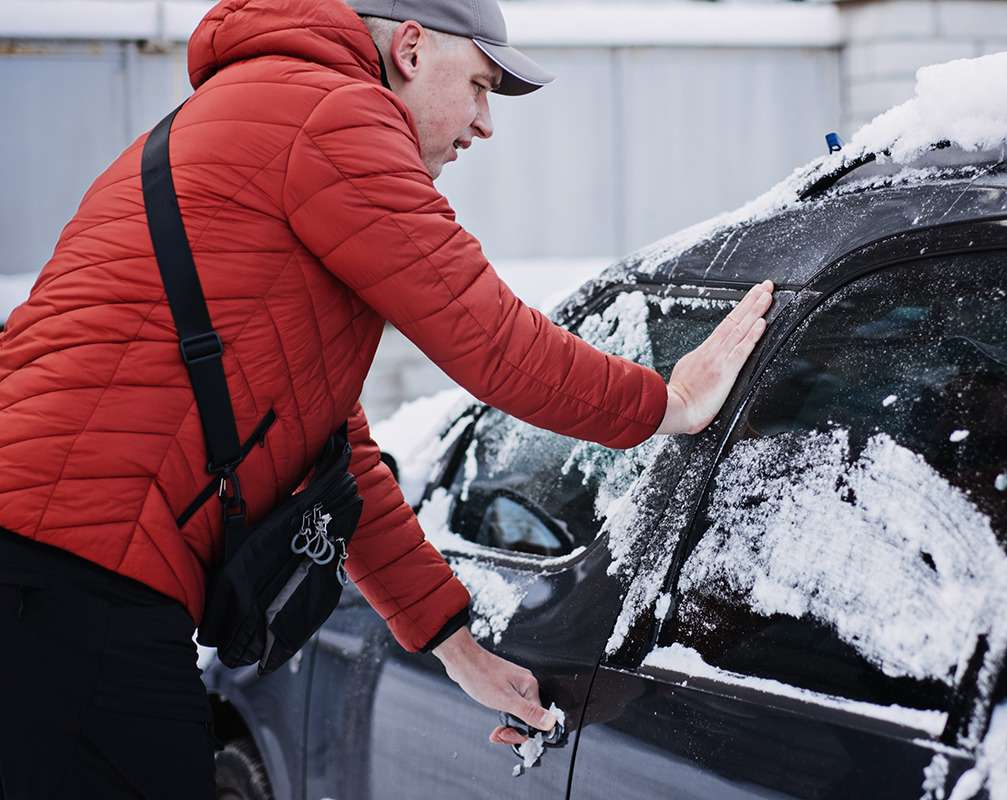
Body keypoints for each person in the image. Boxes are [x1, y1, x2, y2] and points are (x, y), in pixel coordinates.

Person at [0, 0, 773, 795]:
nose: (484, 124)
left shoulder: (266, 111)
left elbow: (330, 458)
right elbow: (492, 341)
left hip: (52, 570)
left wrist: (454, 647)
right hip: (70, 576)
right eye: (478, 86)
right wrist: (669, 403)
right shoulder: (334, 113)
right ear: (409, 48)